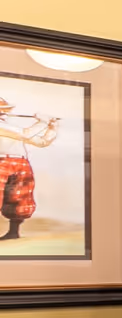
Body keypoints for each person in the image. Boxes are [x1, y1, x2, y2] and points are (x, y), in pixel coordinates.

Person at [0, 98, 58, 241]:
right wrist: (42, 122)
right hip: (1, 161)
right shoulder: (7, 128)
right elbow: (25, 134)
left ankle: (14, 232)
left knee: (20, 196)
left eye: (5, 110)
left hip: (20, 162)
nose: (4, 113)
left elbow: (41, 142)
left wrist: (51, 128)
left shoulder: (10, 128)